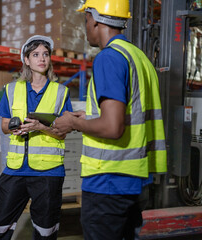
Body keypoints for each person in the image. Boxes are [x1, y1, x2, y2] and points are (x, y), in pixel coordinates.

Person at [53, 1, 167, 239]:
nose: (85, 27)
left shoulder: (109, 58)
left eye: (85, 20)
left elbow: (113, 127)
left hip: (108, 181)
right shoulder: (139, 58)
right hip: (136, 179)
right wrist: (89, 117)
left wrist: (72, 123)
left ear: (95, 19)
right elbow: (130, 113)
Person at [0, 35, 73, 240]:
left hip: (48, 172)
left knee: (45, 230)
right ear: (26, 60)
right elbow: (4, 126)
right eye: (35, 54)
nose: (41, 59)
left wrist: (40, 127)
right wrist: (15, 127)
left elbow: (63, 131)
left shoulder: (61, 92)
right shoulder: (11, 89)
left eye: (45, 54)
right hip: (15, 170)